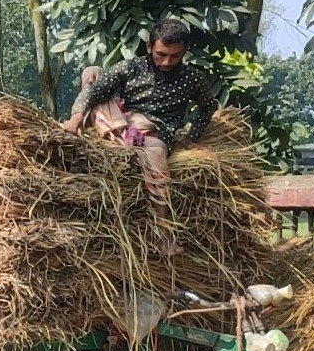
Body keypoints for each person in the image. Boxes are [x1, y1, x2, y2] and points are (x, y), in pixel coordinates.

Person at [61, 17, 217, 251]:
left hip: (154, 132)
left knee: (156, 151)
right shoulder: (130, 68)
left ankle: (162, 230)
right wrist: (75, 118)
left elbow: (208, 106)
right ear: (149, 47)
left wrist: (191, 138)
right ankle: (106, 133)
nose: (167, 62)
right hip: (119, 120)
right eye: (161, 54)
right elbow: (95, 92)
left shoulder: (193, 79)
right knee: (92, 73)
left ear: (185, 51)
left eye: (175, 56)